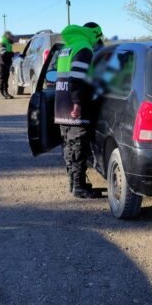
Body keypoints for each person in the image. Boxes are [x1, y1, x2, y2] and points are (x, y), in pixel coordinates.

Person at [54, 22, 104, 199]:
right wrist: (77, 103)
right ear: (94, 34)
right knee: (77, 146)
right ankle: (79, 187)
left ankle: (73, 182)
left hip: (61, 104)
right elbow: (77, 76)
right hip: (74, 106)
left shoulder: (68, 47)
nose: (100, 42)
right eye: (100, 38)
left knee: (69, 145)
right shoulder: (84, 48)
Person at [0, 31, 17, 99]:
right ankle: (2, 92)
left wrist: (15, 54)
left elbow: (8, 53)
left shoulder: (8, 44)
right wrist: (13, 54)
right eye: (11, 37)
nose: (12, 39)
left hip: (6, 63)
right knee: (2, 78)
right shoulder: (2, 43)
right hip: (1, 63)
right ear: (7, 37)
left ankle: (6, 92)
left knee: (6, 78)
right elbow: (3, 53)